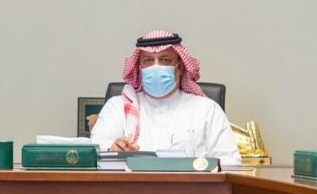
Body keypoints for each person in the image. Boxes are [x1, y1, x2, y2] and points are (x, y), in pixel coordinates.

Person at [90, 30, 241, 164]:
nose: (156, 67)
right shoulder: (117, 107)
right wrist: (113, 151)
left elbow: (230, 162)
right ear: (140, 69)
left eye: (165, 60)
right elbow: (95, 151)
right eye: (148, 61)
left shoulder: (207, 110)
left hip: (190, 187)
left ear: (179, 67)